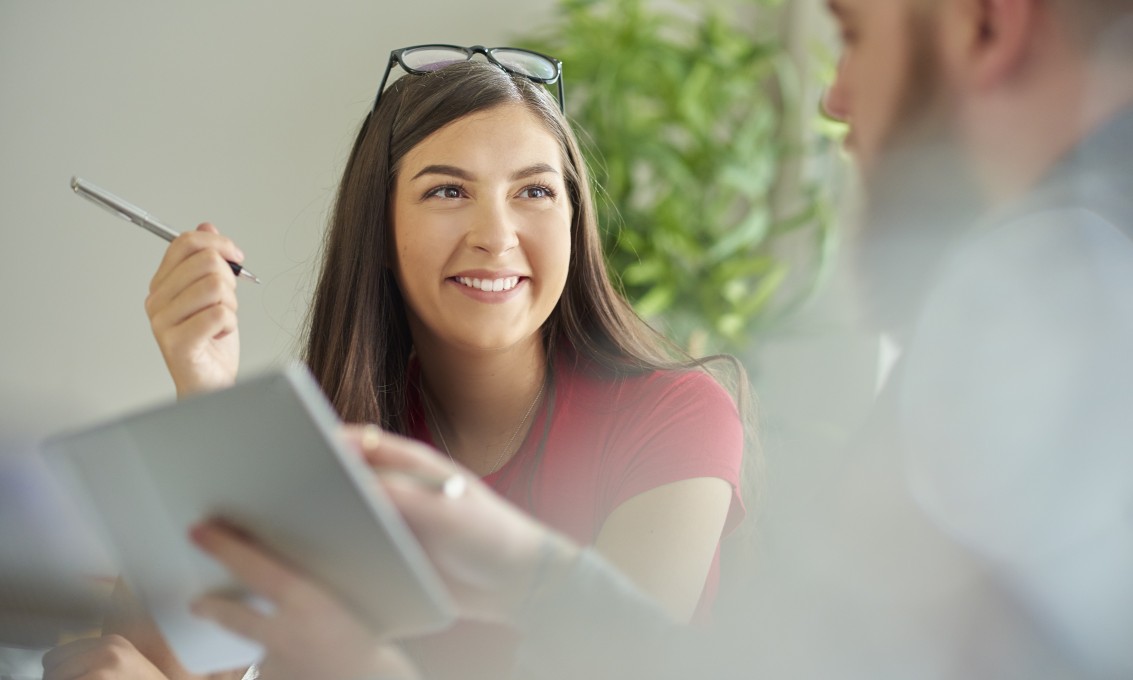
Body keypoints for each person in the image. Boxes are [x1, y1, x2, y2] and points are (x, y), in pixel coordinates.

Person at [177, 1, 1132, 678]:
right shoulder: (1009, 333)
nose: (832, 99)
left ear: (989, 26)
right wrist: (530, 574)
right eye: (445, 189)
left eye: (848, 31)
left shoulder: (1058, 354)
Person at [46, 47, 751, 680]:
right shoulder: (333, 430)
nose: (495, 236)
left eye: (534, 191)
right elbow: (179, 665)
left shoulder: (677, 416)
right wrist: (204, 397)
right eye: (447, 191)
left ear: (573, 219)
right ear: (379, 231)